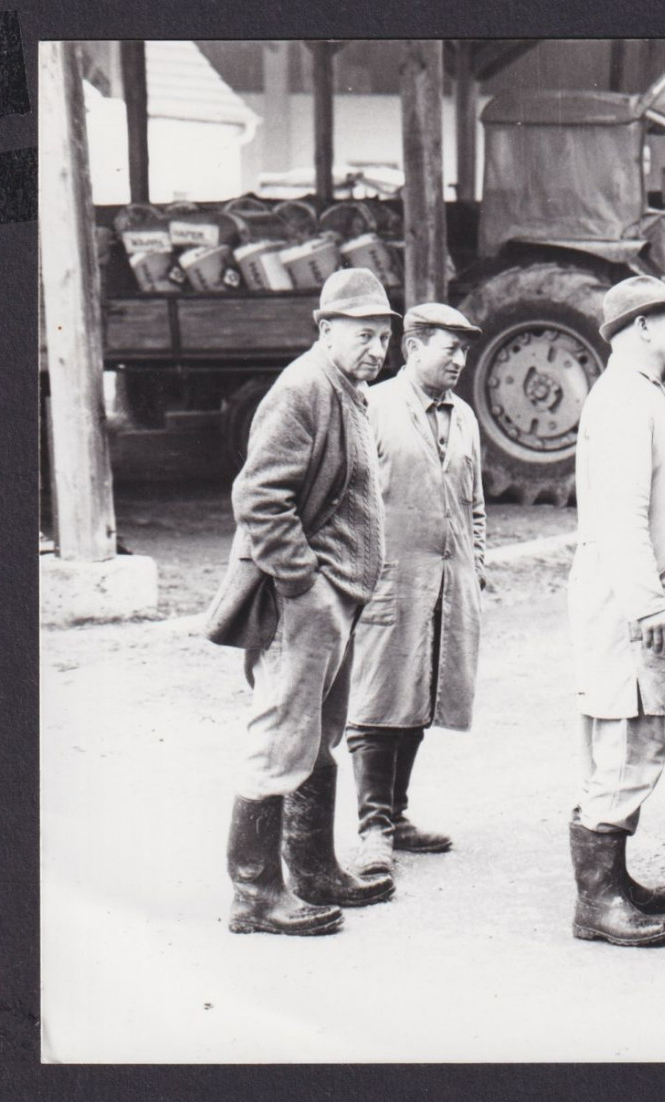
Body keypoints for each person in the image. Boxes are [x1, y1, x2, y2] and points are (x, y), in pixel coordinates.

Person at [204, 267, 398, 936]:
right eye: (364, 334)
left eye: (385, 336)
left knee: (316, 738)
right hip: (305, 601)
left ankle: (313, 870)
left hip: (337, 597)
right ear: (325, 329)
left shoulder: (350, 388)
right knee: (280, 738)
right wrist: (303, 585)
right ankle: (255, 893)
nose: (378, 348)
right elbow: (259, 496)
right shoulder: (304, 388)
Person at [565, 276, 665, 947]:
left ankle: (613, 879)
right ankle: (596, 902)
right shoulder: (627, 402)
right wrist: (649, 603)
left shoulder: (644, 396)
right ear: (638, 329)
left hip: (640, 597)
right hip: (633, 604)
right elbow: (621, 515)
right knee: (625, 745)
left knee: (635, 741)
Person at [344, 304, 487, 883]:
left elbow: (474, 504)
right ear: (412, 349)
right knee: (378, 701)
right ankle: (372, 829)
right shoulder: (373, 408)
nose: (459, 359)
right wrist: (358, 573)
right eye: (447, 348)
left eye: (464, 349)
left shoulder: (466, 417)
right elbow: (345, 500)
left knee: (422, 693)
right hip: (388, 581)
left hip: (447, 586)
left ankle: (397, 817)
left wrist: (474, 563)